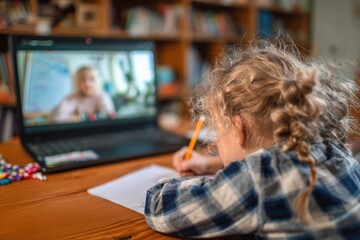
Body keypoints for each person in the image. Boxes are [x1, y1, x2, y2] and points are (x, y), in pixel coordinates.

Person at [144, 37, 360, 239]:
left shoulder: (259, 178)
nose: (217, 141)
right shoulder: (337, 152)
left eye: (218, 131)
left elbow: (161, 208)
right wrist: (212, 164)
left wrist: (201, 182)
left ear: (239, 130)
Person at [50, 66, 115, 122]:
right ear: (77, 82)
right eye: (83, 79)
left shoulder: (102, 96)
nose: (87, 84)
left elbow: (108, 116)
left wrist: (79, 118)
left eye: (92, 79)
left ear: (98, 81)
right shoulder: (74, 97)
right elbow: (56, 117)